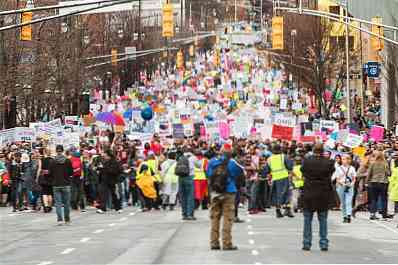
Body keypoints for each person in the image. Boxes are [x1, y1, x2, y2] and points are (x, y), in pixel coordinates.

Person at [207, 144, 244, 251]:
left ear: (220, 152)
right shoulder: (232, 163)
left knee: (215, 218)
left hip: (215, 193)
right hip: (229, 192)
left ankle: (214, 243)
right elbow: (238, 174)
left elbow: (208, 174)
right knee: (228, 218)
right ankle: (227, 243)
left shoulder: (212, 162)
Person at [300, 143, 335, 251]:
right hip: (323, 193)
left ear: (313, 150)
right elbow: (331, 173)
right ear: (323, 151)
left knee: (307, 219)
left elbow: (303, 172)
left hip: (309, 192)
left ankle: (307, 243)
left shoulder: (307, 161)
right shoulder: (329, 162)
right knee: (323, 219)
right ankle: (323, 243)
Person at [48, 145, 74, 225]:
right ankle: (67, 219)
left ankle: (59, 220)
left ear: (56, 151)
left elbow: (50, 173)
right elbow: (71, 172)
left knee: (58, 203)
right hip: (66, 184)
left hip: (56, 184)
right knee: (66, 203)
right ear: (62, 151)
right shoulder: (67, 161)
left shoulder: (52, 161)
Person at [268, 144, 294, 218]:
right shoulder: (283, 157)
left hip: (275, 178)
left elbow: (267, 169)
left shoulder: (269, 159)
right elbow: (290, 166)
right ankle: (287, 210)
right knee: (286, 194)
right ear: (280, 149)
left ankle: (278, 211)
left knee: (276, 195)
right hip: (283, 177)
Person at [97, 149, 123, 214]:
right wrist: (99, 169)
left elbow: (114, 171)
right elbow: (103, 170)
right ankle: (102, 208)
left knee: (114, 194)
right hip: (104, 180)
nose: (102, 154)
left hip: (112, 180)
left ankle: (118, 208)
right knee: (103, 194)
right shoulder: (104, 161)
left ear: (107, 154)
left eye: (104, 153)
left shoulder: (114, 162)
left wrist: (103, 168)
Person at [366, 150, 390, 220]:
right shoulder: (385, 163)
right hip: (383, 183)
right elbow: (388, 173)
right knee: (384, 199)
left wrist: (366, 182)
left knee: (374, 199)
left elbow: (369, 173)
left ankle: (372, 214)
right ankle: (384, 215)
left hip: (374, 182)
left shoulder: (373, 163)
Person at [333, 154, 356, 223]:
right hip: (341, 186)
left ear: (349, 160)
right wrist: (342, 183)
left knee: (348, 201)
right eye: (342, 159)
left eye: (345, 159)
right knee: (343, 202)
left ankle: (348, 215)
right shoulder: (338, 168)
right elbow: (337, 179)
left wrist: (351, 184)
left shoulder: (352, 168)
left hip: (349, 187)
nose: (344, 160)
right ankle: (344, 216)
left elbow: (354, 178)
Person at [38, 148, 53, 213]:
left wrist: (37, 177)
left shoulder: (41, 159)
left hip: (44, 177)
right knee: (50, 193)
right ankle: (49, 206)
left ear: (44, 152)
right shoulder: (53, 160)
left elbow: (39, 169)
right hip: (51, 178)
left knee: (44, 192)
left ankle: (46, 207)